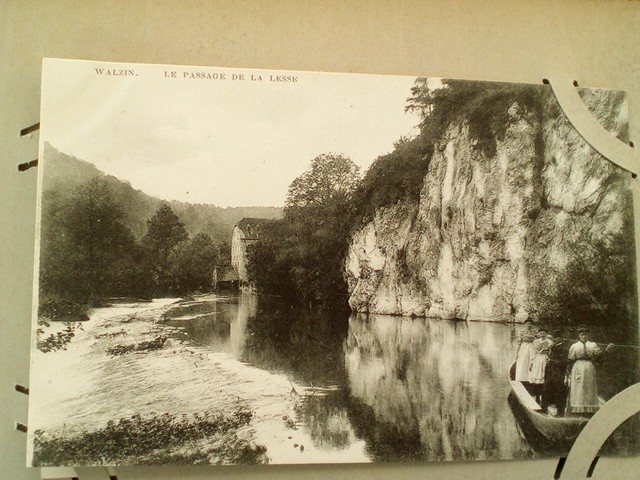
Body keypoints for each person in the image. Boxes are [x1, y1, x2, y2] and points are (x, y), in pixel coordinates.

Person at [566, 324, 614, 416]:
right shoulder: (574, 346)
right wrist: (568, 374)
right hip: (578, 368)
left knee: (589, 386)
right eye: (582, 335)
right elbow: (570, 360)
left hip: (589, 367)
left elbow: (600, 356)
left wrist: (607, 350)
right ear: (579, 335)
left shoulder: (592, 345)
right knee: (579, 387)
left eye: (586, 334)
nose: (584, 336)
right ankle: (578, 408)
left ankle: (589, 409)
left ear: (588, 335)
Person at [542, 328, 568, 415]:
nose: (554, 339)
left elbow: (564, 362)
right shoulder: (554, 346)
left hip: (559, 373)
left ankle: (560, 411)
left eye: (556, 337)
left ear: (561, 338)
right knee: (546, 389)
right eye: (553, 337)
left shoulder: (564, 348)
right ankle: (544, 408)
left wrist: (551, 361)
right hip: (551, 372)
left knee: (559, 391)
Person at [529, 328, 554, 403]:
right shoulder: (535, 341)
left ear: (546, 334)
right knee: (536, 376)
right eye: (541, 333)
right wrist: (531, 362)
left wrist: (548, 358)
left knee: (543, 376)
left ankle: (542, 396)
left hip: (544, 358)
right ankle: (536, 396)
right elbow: (533, 352)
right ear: (539, 334)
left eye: (544, 333)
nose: (542, 335)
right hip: (537, 359)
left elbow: (550, 352)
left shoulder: (550, 342)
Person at [515, 319, 537, 386]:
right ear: (525, 324)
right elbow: (519, 342)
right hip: (524, 347)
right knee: (523, 361)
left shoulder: (535, 331)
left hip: (532, 347)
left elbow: (539, 338)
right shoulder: (522, 332)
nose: (529, 325)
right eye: (527, 324)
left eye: (530, 324)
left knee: (531, 361)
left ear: (532, 325)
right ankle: (521, 378)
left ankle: (529, 378)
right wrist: (516, 353)